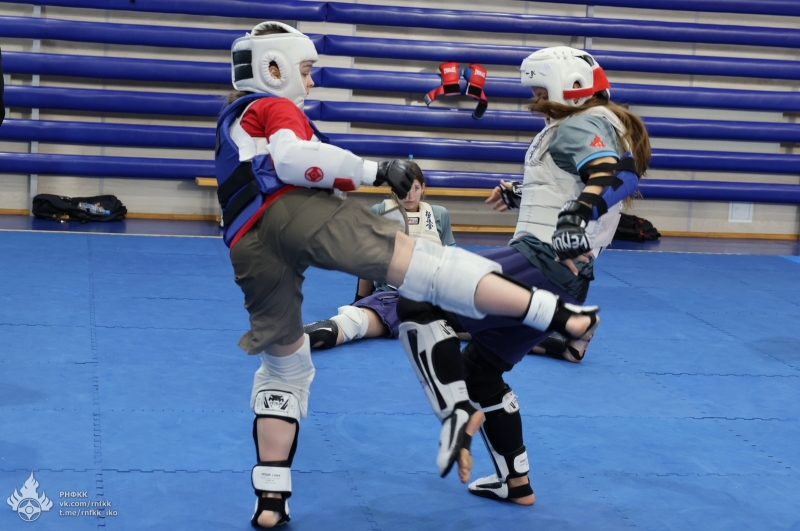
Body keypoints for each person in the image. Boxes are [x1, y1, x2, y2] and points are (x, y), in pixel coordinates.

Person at [216, 24, 600, 528]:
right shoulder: (273, 106)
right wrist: (375, 170)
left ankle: (271, 498)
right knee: (428, 275)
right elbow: (293, 160)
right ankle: (560, 318)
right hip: (299, 215)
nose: (308, 83)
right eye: (305, 71)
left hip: (246, 242)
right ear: (274, 69)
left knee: (284, 369)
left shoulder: (232, 124)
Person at [397, 46, 648, 506]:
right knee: (481, 370)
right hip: (565, 277)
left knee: (420, 297)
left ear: (570, 88)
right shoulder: (591, 122)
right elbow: (579, 180)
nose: (535, 100)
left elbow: (616, 175)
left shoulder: (581, 124)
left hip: (540, 263)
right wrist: (523, 194)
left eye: (540, 90)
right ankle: (516, 484)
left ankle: (456, 415)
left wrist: (575, 213)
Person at [304, 161, 455, 349]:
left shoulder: (439, 214)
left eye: (415, 188)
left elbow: (451, 260)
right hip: (394, 294)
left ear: (423, 188)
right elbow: (368, 260)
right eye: (404, 188)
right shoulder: (380, 211)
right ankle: (304, 338)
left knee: (480, 321)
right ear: (394, 188)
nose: (409, 195)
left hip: (433, 295)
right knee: (353, 322)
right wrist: (360, 300)